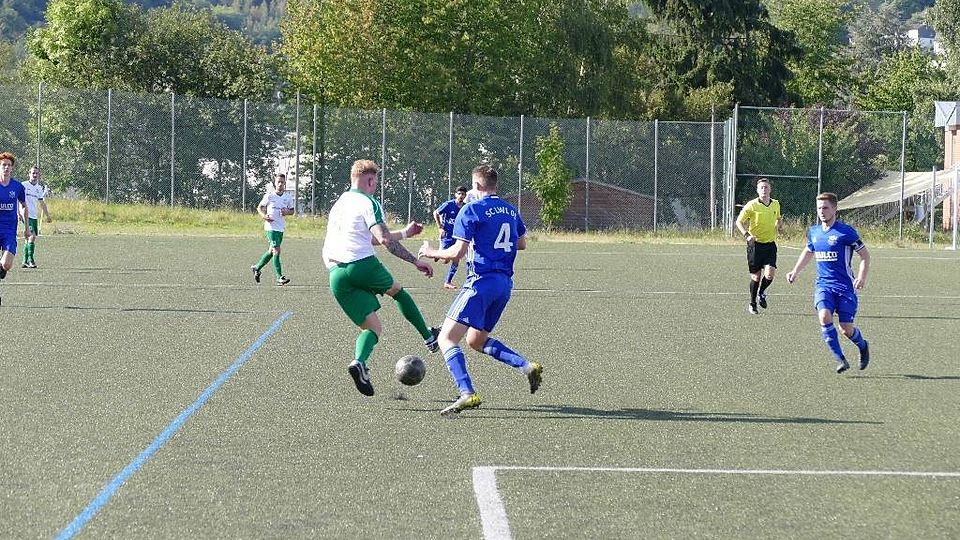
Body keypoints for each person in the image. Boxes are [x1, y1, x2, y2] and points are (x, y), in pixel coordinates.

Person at [419, 164, 542, 417]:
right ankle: (526, 366)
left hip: (480, 282)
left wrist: (431, 252)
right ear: (496, 185)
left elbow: (457, 252)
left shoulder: (471, 209)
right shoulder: (510, 209)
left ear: (475, 185)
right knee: (475, 340)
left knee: (446, 338)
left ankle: (466, 392)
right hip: (504, 285)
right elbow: (521, 243)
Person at [323, 159, 440, 397]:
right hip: (361, 264)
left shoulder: (340, 203)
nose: (375, 186)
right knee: (398, 292)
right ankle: (429, 338)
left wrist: (405, 233)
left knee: (372, 328)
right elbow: (384, 239)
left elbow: (370, 237)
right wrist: (415, 261)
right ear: (369, 180)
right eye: (375, 182)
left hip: (336, 273)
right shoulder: (369, 202)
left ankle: (359, 362)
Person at [786, 192, 871, 374]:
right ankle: (840, 359)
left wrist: (861, 277)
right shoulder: (814, 232)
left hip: (845, 287)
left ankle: (863, 346)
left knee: (846, 329)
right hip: (823, 285)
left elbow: (865, 255)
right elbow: (808, 251)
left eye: (825, 208)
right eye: (819, 208)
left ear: (834, 209)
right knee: (824, 316)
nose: (822, 211)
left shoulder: (846, 232)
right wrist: (795, 271)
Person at [735, 177, 782, 314]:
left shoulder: (776, 204)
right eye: (761, 187)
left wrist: (779, 226)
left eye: (766, 187)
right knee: (756, 277)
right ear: (757, 190)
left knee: (770, 274)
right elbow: (739, 222)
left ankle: (761, 292)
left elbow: (778, 218)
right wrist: (747, 235)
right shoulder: (751, 205)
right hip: (755, 246)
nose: (764, 190)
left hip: (770, 245)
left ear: (770, 189)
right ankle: (752, 303)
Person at [251, 173, 295, 286]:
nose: (280, 184)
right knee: (276, 250)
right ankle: (280, 277)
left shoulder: (288, 197)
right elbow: (259, 207)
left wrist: (287, 212)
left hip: (280, 228)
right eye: (278, 182)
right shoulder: (269, 196)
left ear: (284, 183)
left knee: (271, 251)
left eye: (282, 182)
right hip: (270, 228)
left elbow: (292, 210)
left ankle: (257, 268)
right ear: (275, 183)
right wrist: (264, 216)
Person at [0, 152, 28, 306]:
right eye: (3, 165)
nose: (6, 167)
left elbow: (23, 205)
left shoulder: (17, 187)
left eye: (8, 165)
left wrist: (27, 227)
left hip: (9, 230)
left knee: (6, 265)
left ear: (12, 168)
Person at [433, 185, 468, 289]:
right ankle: (437, 254)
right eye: (459, 194)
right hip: (447, 235)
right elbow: (435, 213)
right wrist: (440, 227)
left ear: (465, 195)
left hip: (458, 237)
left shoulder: (466, 207)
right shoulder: (448, 205)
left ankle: (448, 282)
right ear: (455, 194)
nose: (461, 196)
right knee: (445, 258)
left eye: (463, 194)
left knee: (456, 258)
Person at [22, 166, 52, 269]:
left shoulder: (39, 188)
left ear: (39, 175)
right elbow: (17, 200)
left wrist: (47, 215)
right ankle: (31, 260)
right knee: (32, 236)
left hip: (34, 216)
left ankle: (25, 261)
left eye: (36, 173)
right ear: (29, 174)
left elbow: (41, 202)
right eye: (33, 173)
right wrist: (18, 213)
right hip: (25, 215)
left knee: (28, 238)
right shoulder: (23, 185)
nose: (34, 175)